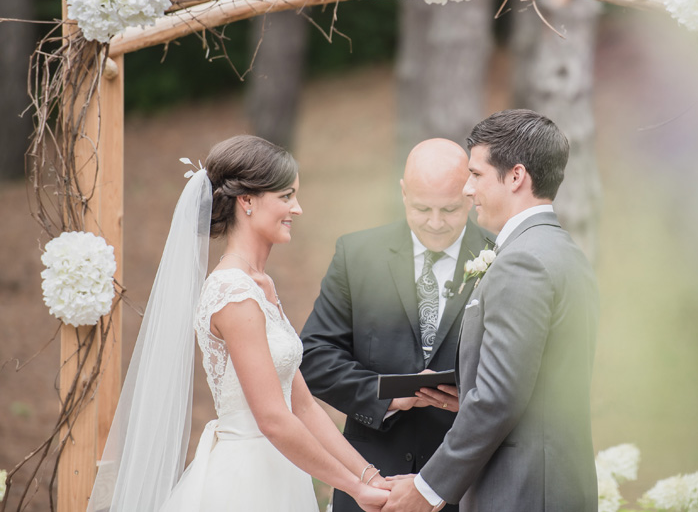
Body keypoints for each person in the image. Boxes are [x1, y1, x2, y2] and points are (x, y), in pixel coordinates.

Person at [87, 135, 389, 512]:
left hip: (283, 469)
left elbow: (303, 406)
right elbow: (273, 418)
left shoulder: (260, 285)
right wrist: (354, 489)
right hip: (247, 483)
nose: (297, 209)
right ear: (246, 201)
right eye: (286, 196)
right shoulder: (233, 292)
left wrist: (370, 477)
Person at [383, 110, 601, 512]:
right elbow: (538, 380)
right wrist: (467, 393)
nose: (467, 190)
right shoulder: (563, 251)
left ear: (516, 176)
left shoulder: (524, 262)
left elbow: (499, 399)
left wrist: (428, 488)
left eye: (477, 175)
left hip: (522, 492)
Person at [300, 138, 492, 512]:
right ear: (403, 193)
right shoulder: (357, 255)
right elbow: (314, 357)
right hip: (374, 482)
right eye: (422, 208)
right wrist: (384, 395)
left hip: (465, 487)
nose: (435, 223)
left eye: (450, 209)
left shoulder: (502, 258)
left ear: (470, 195)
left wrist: (469, 397)